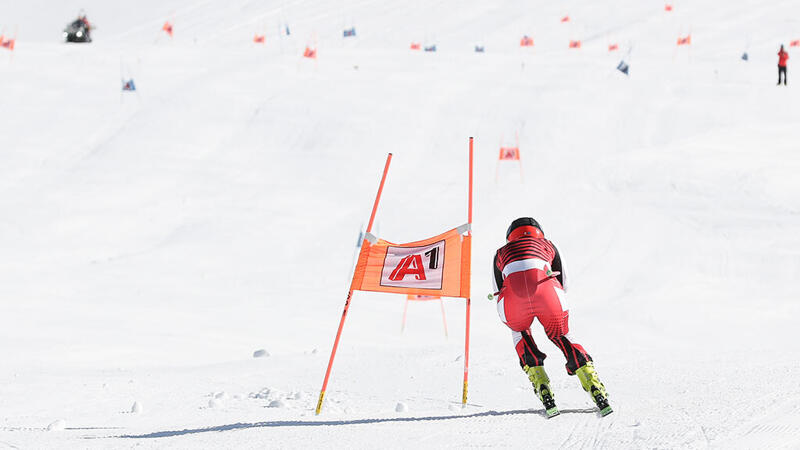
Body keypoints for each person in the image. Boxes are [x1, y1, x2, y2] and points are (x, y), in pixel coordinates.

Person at [492, 218, 611, 417]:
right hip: (547, 292)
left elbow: (496, 290)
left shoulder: (500, 253)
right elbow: (564, 281)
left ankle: (540, 382)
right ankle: (592, 383)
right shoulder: (548, 245)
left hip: (512, 300)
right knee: (561, 334)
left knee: (519, 330)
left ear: (509, 237)